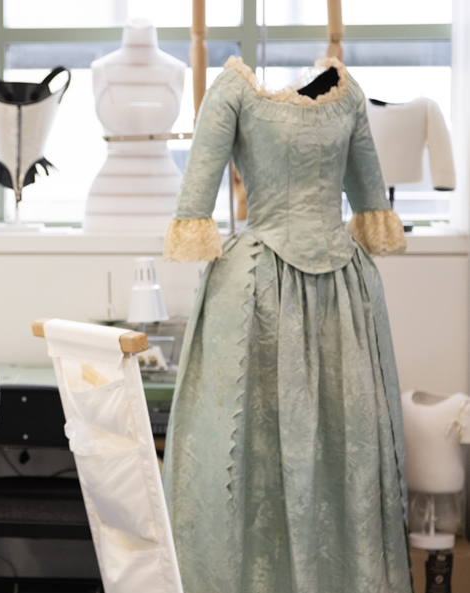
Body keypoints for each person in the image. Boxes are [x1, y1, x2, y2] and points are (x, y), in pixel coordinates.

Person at [160, 56, 410, 592]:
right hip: (332, 288)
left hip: (262, 287)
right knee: (300, 436)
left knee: (307, 436)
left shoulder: (246, 92)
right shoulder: (335, 93)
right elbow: (370, 198)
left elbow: (196, 200)